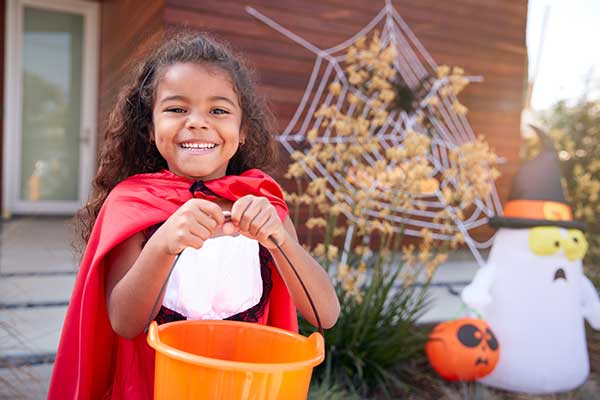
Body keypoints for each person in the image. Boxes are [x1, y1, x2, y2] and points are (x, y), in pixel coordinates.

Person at [48, 32, 340, 400]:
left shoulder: (263, 203)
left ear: (242, 130)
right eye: (176, 109)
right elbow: (124, 322)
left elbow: (324, 314)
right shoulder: (132, 204)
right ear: (152, 130)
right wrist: (164, 244)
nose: (197, 122)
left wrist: (279, 241)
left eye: (218, 110)